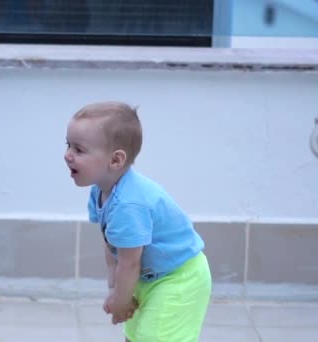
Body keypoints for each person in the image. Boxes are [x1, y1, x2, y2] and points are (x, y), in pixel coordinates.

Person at [64, 101, 212, 341]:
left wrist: (121, 303)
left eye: (79, 150)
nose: (67, 155)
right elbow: (111, 241)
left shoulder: (129, 205)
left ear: (115, 160)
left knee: (155, 337)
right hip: (151, 273)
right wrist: (114, 285)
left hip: (178, 278)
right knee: (135, 334)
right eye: (68, 145)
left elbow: (130, 263)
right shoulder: (101, 190)